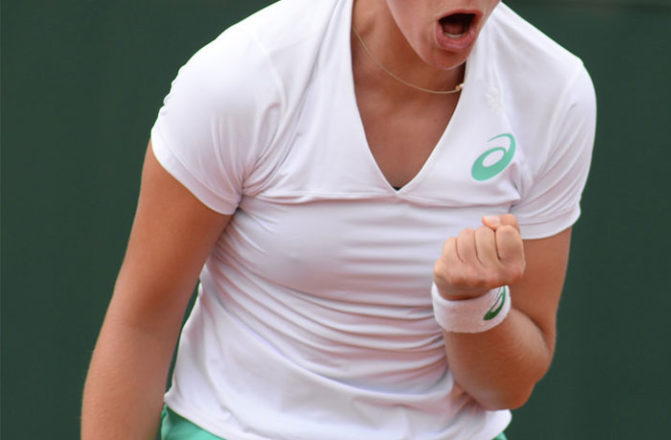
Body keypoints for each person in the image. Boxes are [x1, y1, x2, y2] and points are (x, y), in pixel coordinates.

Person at [82, 0, 596, 438]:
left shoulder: (554, 92)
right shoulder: (243, 77)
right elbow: (141, 326)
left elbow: (507, 388)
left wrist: (472, 304)